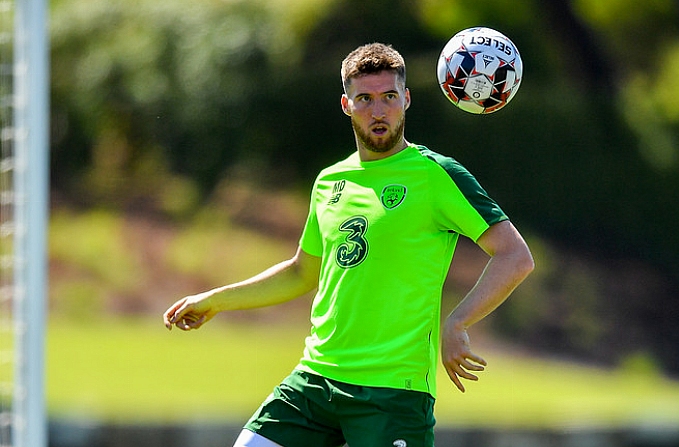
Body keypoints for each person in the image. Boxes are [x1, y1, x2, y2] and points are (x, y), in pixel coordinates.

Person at [163, 42, 534, 447]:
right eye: (366, 99)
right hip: (317, 378)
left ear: (406, 99)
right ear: (346, 104)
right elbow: (302, 272)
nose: (379, 111)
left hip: (393, 392)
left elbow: (515, 256)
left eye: (389, 97)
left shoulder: (437, 175)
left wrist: (457, 322)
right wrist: (215, 300)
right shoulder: (330, 181)